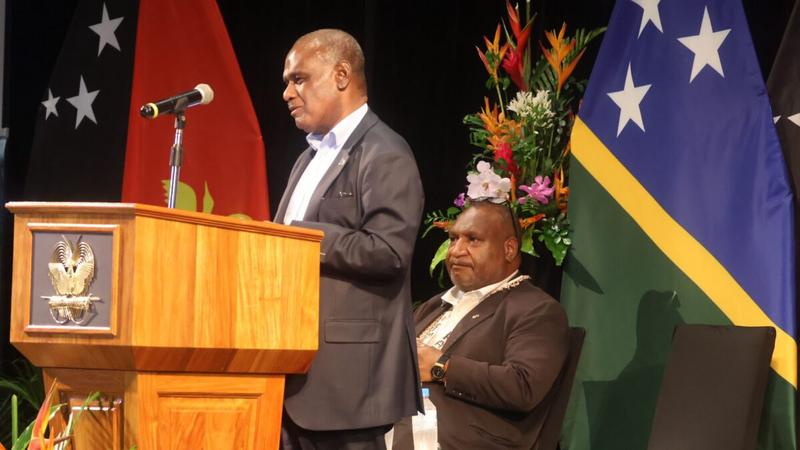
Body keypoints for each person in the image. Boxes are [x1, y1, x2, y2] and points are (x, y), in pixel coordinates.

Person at [274, 29, 424, 449]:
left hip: (347, 385)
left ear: (341, 75)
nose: (287, 93)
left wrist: (304, 238)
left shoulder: (385, 151)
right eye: (288, 82)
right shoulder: (308, 158)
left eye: (299, 79)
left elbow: (390, 251)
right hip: (290, 374)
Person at [404, 200, 569, 449]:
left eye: (473, 240)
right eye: (453, 239)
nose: (456, 251)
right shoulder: (435, 305)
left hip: (462, 439)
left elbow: (522, 386)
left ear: (509, 249)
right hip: (398, 424)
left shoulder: (536, 309)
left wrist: (442, 366)